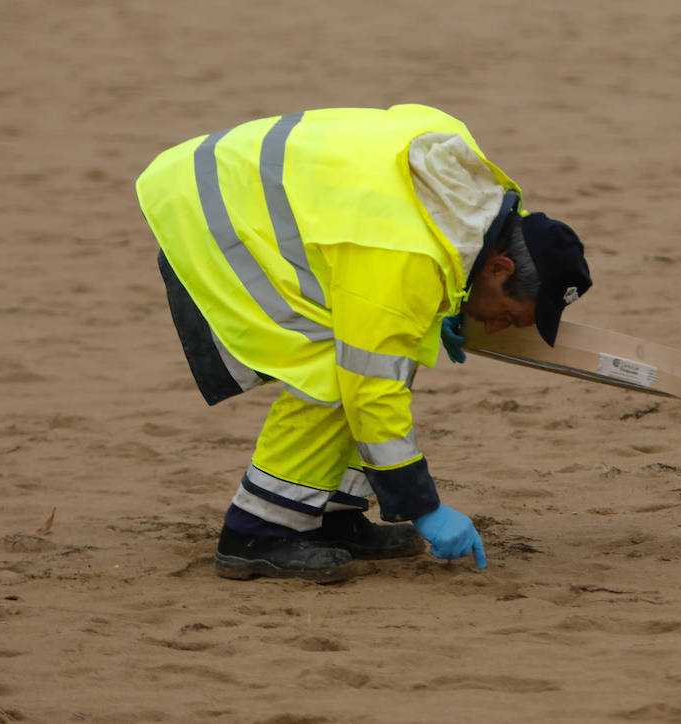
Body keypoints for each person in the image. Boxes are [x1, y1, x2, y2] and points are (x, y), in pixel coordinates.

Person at [136, 104, 591, 582]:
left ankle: (330, 512)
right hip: (210, 211)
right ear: (500, 268)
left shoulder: (468, 197)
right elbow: (371, 386)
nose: (496, 327)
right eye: (508, 315)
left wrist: (446, 308)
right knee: (339, 372)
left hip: (237, 186)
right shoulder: (407, 256)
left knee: (394, 345)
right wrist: (425, 509)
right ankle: (258, 533)